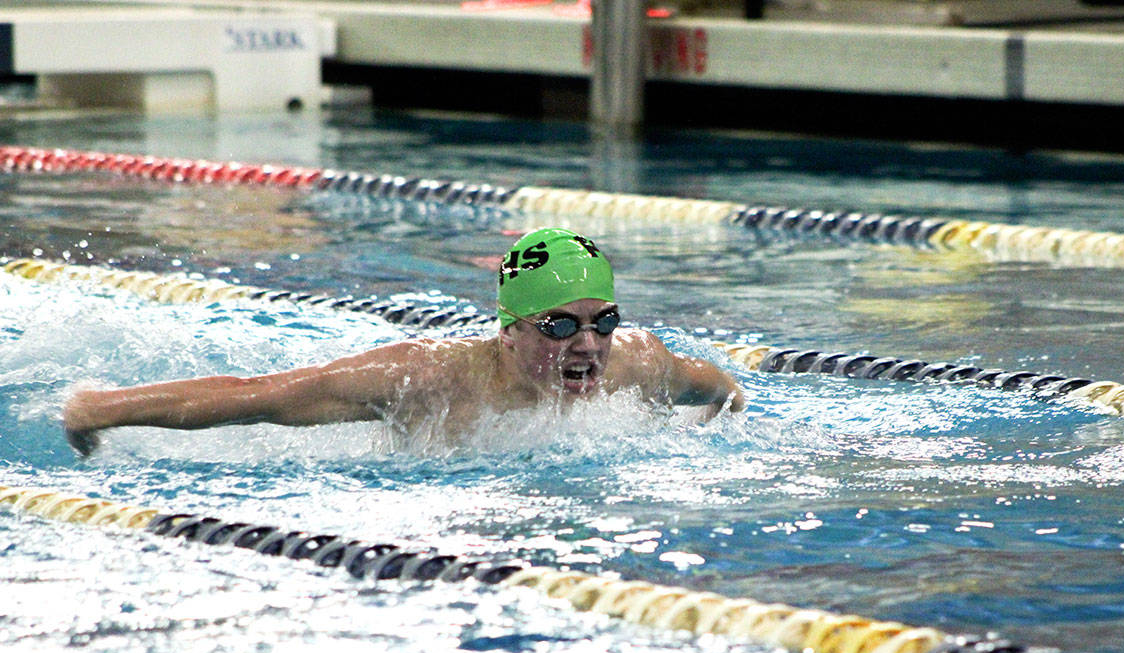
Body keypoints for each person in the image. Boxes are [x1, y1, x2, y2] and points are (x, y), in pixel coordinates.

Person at [63, 227, 746, 456]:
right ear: (508, 329)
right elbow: (262, 397)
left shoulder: (639, 365)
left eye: (604, 320)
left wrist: (712, 428)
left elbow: (721, 390)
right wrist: (101, 409)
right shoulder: (428, 379)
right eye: (560, 325)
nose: (589, 344)